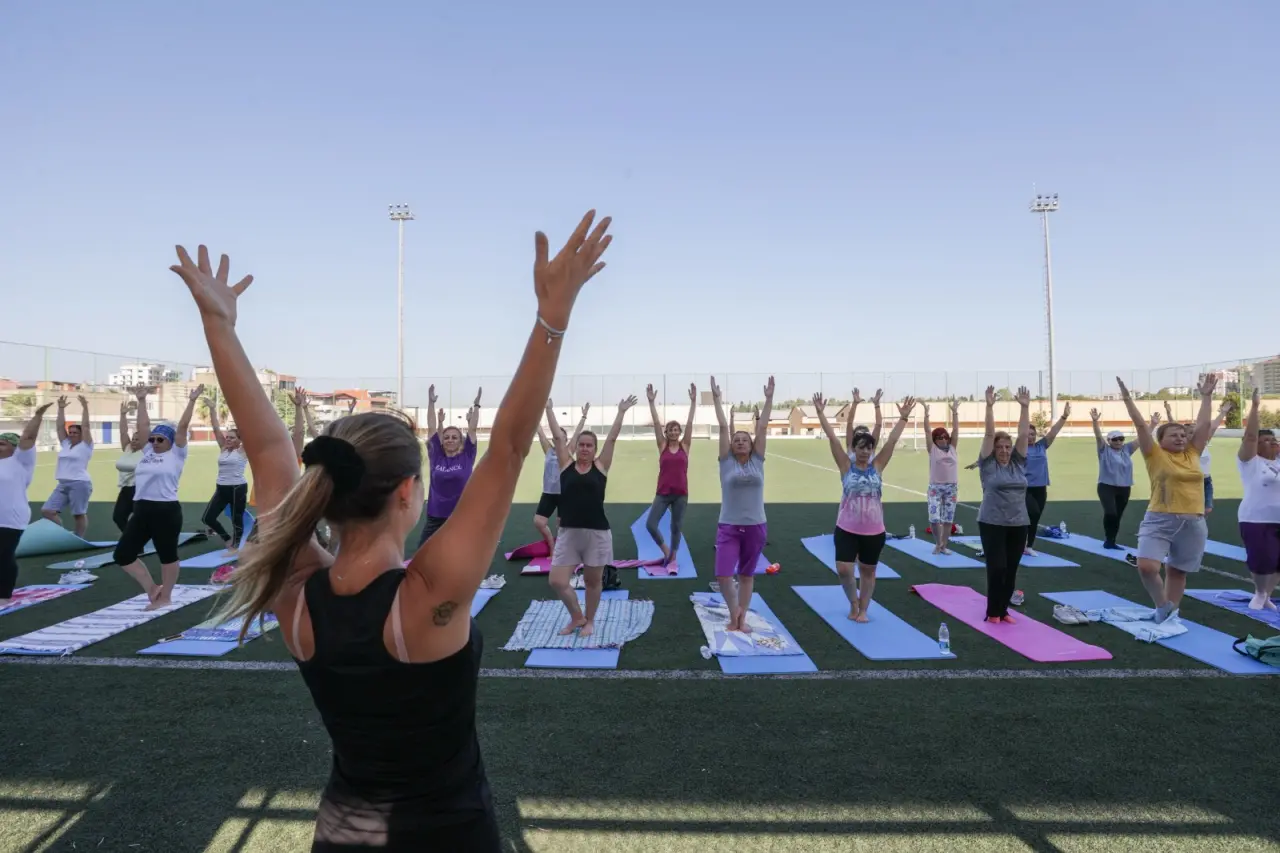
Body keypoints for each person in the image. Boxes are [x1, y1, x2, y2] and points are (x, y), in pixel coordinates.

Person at [177, 212, 612, 850]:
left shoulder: (296, 596)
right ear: (409, 492)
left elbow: (270, 453)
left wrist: (218, 328)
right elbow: (511, 447)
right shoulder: (424, 594)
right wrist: (553, 317)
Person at [1118, 375, 1217, 622]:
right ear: (1160, 440)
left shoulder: (1193, 453)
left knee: (1178, 571)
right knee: (1147, 566)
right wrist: (1127, 398)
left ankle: (1169, 613)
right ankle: (1162, 605)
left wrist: (1206, 396)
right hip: (1160, 518)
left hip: (1193, 522)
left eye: (1183, 435)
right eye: (1173, 435)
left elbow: (1204, 426)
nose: (1181, 438)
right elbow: (1141, 426)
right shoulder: (1154, 455)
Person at [814, 392, 914, 621]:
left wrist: (904, 418)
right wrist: (820, 413)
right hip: (846, 528)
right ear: (854, 448)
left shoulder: (877, 466)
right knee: (844, 569)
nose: (865, 452)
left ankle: (863, 609)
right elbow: (831, 439)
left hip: (873, 530)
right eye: (861, 447)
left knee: (868, 571)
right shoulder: (845, 466)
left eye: (869, 448)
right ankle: (853, 602)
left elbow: (891, 442)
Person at [545, 395, 636, 637]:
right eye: (582, 444)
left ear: (595, 449)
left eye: (589, 445)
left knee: (592, 582)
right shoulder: (565, 464)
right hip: (569, 533)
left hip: (596, 533)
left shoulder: (601, 466)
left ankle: (590, 621)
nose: (585, 448)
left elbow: (613, 437)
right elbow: (556, 437)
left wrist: (621, 412)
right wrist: (548, 409)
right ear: (576, 447)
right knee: (557, 580)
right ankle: (577, 616)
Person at [115, 385, 202, 610]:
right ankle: (153, 589)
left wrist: (192, 401)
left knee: (167, 555)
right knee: (123, 554)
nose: (154, 442)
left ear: (171, 442)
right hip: (142, 508)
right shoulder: (147, 453)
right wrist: (141, 400)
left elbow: (182, 427)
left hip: (166, 510)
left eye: (160, 439)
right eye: (152, 439)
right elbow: (142, 425)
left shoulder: (177, 454)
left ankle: (166, 597)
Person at [711, 375, 773, 632]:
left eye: (744, 439)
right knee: (724, 575)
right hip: (729, 526)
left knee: (747, 576)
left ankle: (741, 617)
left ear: (751, 445)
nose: (739, 441)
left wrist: (769, 399)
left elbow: (763, 427)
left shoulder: (758, 461)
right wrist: (716, 399)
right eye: (736, 440)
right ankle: (734, 610)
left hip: (756, 526)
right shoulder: (726, 462)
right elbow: (724, 427)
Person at [977, 385, 1031, 624]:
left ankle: (1004, 610)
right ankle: (992, 612)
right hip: (992, 523)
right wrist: (989, 407)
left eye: (1007, 447)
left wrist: (1025, 407)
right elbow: (989, 435)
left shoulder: (1018, 464)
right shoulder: (988, 465)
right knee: (997, 568)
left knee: (1011, 570)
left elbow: (1022, 435)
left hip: (1019, 523)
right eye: (1000, 447)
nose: (1004, 451)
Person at [0, 404, 53, 606]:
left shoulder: (21, 461)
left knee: (3, 555)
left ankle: (3, 596)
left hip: (11, 517)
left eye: (3, 443)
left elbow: (28, 438)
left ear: (14, 447)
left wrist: (38, 415)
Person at [417, 385, 481, 549]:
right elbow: (431, 428)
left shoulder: (467, 456)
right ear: (442, 441)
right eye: (446, 437)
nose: (450, 440)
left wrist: (477, 405)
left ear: (460, 441)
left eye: (454, 437)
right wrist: (431, 403)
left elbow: (472, 430)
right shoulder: (436, 455)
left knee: (461, 553)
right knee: (423, 551)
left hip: (461, 515)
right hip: (436, 515)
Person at [643, 382, 696, 567]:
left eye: (676, 430)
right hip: (663, 493)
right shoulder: (663, 446)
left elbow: (690, 423)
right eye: (670, 430)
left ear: (680, 433)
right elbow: (657, 423)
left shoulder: (685, 446)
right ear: (666, 433)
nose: (673, 432)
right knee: (650, 524)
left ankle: (673, 556)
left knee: (676, 527)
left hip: (681, 494)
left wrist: (693, 402)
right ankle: (666, 550)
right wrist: (651, 402)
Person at [1091, 406, 1158, 550]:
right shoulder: (1104, 450)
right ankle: (1108, 538)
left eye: (1121, 439)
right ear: (1109, 441)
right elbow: (1098, 437)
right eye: (1115, 439)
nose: (1119, 441)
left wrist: (1152, 424)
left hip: (1124, 488)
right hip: (1106, 486)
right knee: (1111, 513)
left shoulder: (1127, 449)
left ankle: (1111, 541)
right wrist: (1095, 422)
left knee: (1118, 515)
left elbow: (1142, 438)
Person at [1237, 388, 1280, 611]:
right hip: (1256, 518)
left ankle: (1268, 594)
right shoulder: (1251, 463)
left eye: (1274, 439)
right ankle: (1260, 592)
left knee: (1278, 563)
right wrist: (1254, 407)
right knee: (1263, 560)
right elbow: (1250, 436)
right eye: (1266, 440)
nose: (1271, 443)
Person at [532, 402, 588, 553]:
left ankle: (564, 550)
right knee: (539, 522)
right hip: (549, 493)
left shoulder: (569, 449)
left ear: (565, 439)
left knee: (561, 526)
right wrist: (537, 411)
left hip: (565, 493)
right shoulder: (548, 450)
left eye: (561, 438)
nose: (558, 440)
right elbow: (540, 431)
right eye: (557, 438)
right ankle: (552, 546)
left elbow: (577, 433)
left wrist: (583, 416)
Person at [1165, 399, 1231, 515]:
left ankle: (1199, 531)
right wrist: (1169, 413)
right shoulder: (1183, 447)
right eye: (1190, 432)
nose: (1194, 434)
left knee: (1206, 510)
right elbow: (1173, 426)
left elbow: (1213, 427)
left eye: (1196, 432)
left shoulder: (1203, 443)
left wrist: (1223, 412)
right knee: (1190, 511)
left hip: (1206, 480)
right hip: (1189, 481)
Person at [41, 394, 94, 537]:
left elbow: (86, 426)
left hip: (80, 483)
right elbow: (59, 427)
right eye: (70, 432)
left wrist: (85, 407)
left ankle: (79, 538)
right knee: (48, 511)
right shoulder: (66, 444)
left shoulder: (86, 445)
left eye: (75, 432)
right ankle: (63, 535)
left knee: (78, 514)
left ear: (81, 434)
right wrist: (61, 408)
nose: (71, 434)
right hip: (63, 483)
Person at [201, 397, 249, 553]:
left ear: (239, 440)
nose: (228, 439)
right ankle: (227, 538)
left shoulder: (242, 451)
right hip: (221, 488)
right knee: (208, 517)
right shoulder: (223, 448)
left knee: (237, 518)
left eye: (232, 437)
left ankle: (236, 545)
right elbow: (216, 428)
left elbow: (249, 431)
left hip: (237, 487)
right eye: (227, 437)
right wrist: (213, 409)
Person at [1023, 403, 1070, 556]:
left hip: (1041, 488)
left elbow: (1053, 432)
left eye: (1032, 434)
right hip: (1024, 488)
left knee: (1035, 518)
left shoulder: (1041, 446)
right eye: (1027, 434)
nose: (1030, 437)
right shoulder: (1018, 448)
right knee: (1032, 513)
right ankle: (1018, 543)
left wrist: (1064, 417)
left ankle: (1028, 546)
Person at [922, 398, 961, 554]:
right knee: (934, 517)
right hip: (935, 488)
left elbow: (956, 431)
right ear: (934, 440)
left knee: (947, 519)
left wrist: (955, 412)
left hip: (951, 488)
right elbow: (926, 431)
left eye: (945, 437)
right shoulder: (932, 450)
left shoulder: (952, 447)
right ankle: (938, 543)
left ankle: (944, 545)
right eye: (939, 437)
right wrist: (926, 414)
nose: (943, 439)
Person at [113, 386, 150, 533]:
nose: (134, 441)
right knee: (118, 517)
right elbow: (123, 431)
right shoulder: (128, 448)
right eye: (133, 438)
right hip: (125, 489)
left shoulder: (145, 451)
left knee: (140, 519)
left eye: (137, 438)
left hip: (140, 489)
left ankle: (136, 544)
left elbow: (143, 426)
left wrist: (141, 400)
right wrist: (123, 415)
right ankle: (132, 540)